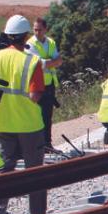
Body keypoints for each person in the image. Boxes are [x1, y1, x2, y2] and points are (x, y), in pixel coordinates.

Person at [0, 15, 47, 214]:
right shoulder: (32, 61)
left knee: (4, 172)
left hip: (3, 125)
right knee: (34, 175)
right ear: (26, 36)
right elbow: (35, 96)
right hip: (29, 126)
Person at [26, 17, 62, 153]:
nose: (36, 32)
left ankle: (47, 144)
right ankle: (37, 146)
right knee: (37, 116)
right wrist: (51, 61)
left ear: (45, 29)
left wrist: (47, 62)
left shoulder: (51, 42)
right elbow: (38, 64)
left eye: (39, 30)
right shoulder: (30, 44)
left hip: (50, 84)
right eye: (35, 29)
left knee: (47, 116)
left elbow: (59, 61)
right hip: (36, 85)